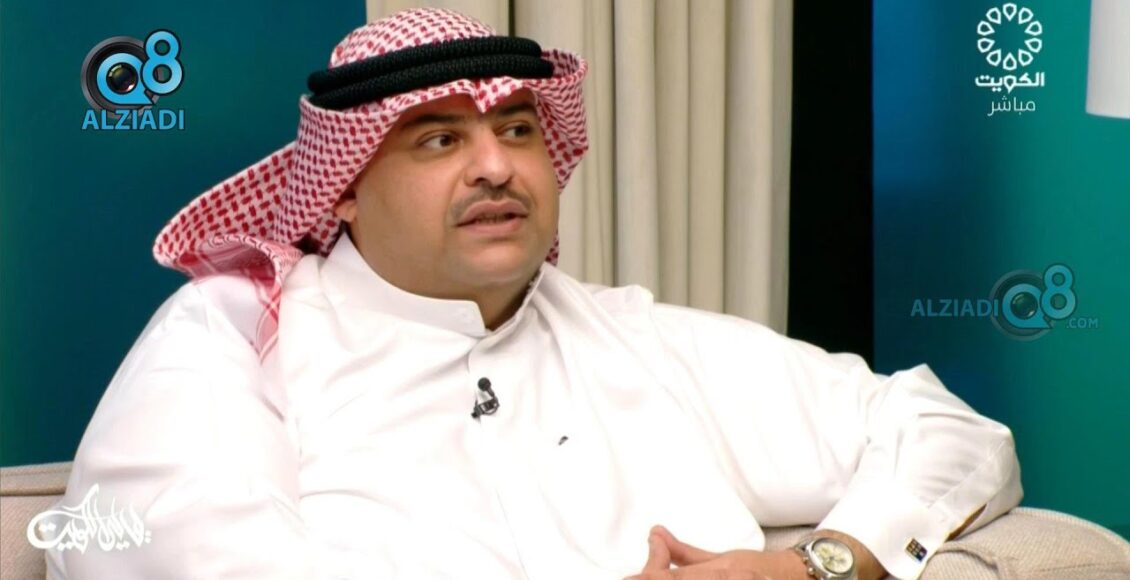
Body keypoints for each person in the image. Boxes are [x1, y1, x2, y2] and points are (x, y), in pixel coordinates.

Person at [44, 8, 1021, 580]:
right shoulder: (234, 336)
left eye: (517, 130)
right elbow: (159, 550)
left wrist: (820, 562)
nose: (496, 166)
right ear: (341, 186)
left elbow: (949, 432)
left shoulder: (626, 336)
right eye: (438, 139)